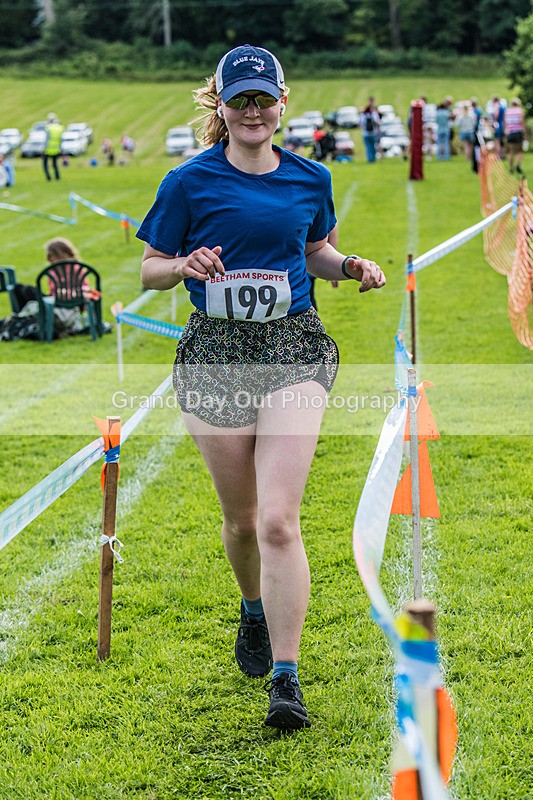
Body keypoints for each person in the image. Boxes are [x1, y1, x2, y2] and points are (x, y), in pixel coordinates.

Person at [136, 44, 386, 731]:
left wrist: (350, 265)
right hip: (215, 353)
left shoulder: (310, 177)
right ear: (221, 106)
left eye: (263, 99)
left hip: (292, 348)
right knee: (242, 520)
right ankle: (251, 609)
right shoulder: (187, 182)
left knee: (278, 519)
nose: (253, 111)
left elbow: (315, 252)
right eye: (239, 100)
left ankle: (286, 677)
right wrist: (183, 264)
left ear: (282, 103)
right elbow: (150, 269)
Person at [504, 98, 526, 176]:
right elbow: (522, 122)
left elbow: (505, 123)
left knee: (511, 151)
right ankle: (518, 164)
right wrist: (524, 133)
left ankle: (511, 167)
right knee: (520, 150)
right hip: (518, 132)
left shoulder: (507, 111)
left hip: (510, 132)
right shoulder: (520, 111)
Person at [43, 113, 65, 182]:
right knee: (55, 164)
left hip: (48, 149)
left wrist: (44, 149)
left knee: (45, 164)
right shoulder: (59, 128)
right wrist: (61, 149)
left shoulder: (48, 128)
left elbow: (46, 139)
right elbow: (61, 139)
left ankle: (48, 177)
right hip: (56, 149)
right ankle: (57, 177)